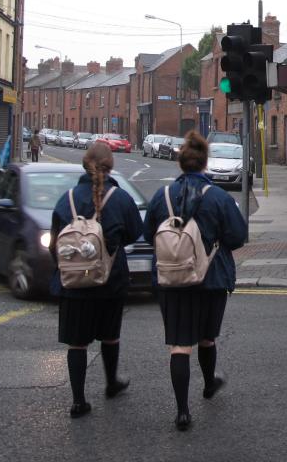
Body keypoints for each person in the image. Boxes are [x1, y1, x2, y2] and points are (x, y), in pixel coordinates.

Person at [143, 130, 247, 431]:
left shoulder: (162, 197)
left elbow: (148, 233)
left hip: (171, 279)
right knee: (206, 338)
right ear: (204, 164)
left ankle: (182, 412)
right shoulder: (217, 196)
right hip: (211, 278)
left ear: (180, 163)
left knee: (179, 344)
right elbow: (237, 236)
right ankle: (209, 384)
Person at [49, 142, 142, 418]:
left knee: (77, 343)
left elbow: (54, 242)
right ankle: (111, 383)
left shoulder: (66, 199)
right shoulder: (121, 198)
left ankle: (78, 400)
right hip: (110, 281)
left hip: (73, 283)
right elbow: (136, 232)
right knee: (110, 336)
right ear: (110, 166)